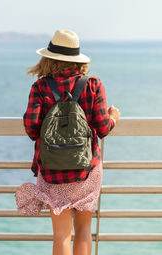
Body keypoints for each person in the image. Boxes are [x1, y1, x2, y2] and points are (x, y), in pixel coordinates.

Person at [15, 29, 121, 255]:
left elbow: (32, 129)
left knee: (61, 236)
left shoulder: (40, 88)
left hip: (53, 170)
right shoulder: (92, 85)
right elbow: (103, 128)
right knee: (83, 230)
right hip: (87, 168)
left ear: (49, 58)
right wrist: (114, 118)